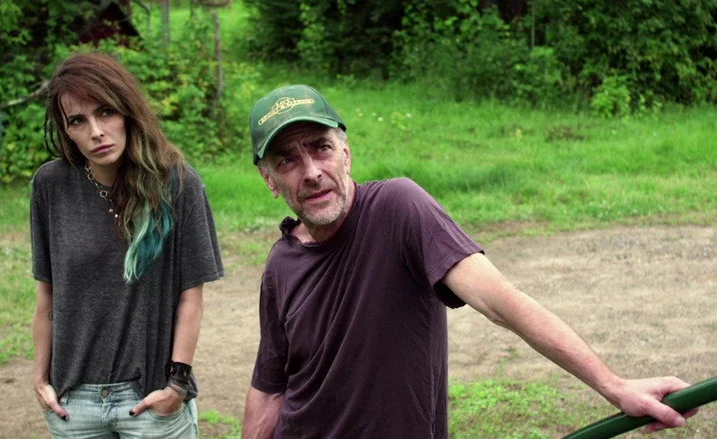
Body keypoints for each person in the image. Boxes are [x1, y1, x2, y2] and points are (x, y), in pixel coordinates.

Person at [241, 84, 697, 438]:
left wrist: (614, 386)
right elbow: (269, 389)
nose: (312, 172)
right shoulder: (281, 264)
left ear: (345, 152)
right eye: (288, 160)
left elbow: (500, 301)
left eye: (320, 147)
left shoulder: (399, 209)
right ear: (269, 180)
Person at [30, 52, 224, 438]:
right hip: (74, 405)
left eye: (105, 112)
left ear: (127, 111)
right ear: (66, 131)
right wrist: (40, 378)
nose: (96, 132)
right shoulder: (51, 186)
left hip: (150, 399)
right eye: (78, 121)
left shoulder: (178, 184)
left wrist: (177, 385)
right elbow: (47, 295)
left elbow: (191, 298)